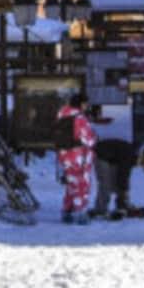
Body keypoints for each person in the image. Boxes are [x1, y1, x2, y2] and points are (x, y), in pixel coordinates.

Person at [54, 91, 96, 224]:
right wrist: (94, 138)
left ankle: (67, 211)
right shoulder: (80, 118)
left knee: (71, 183)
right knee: (81, 183)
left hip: (64, 154)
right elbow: (88, 139)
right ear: (81, 104)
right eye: (85, 103)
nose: (87, 106)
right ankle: (81, 212)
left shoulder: (62, 114)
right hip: (79, 155)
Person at [91, 137, 144, 219]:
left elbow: (124, 176)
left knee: (116, 184)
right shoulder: (130, 155)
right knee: (106, 184)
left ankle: (121, 204)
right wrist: (124, 191)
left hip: (111, 158)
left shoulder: (133, 155)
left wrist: (124, 195)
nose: (141, 167)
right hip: (101, 155)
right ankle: (100, 210)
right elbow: (123, 174)